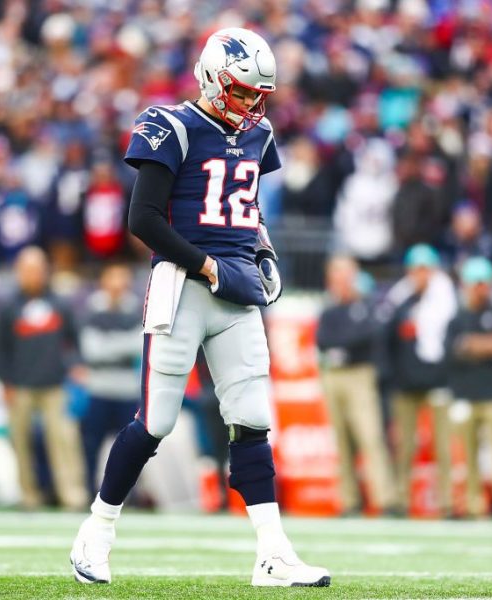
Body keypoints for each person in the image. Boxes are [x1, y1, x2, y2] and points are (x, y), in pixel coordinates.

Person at [70, 28, 329, 587]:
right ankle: (98, 529)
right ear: (212, 78)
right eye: (241, 92)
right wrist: (207, 266)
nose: (252, 104)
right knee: (157, 420)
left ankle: (273, 553)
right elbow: (142, 219)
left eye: (259, 94)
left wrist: (260, 247)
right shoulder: (171, 126)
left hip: (235, 289)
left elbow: (247, 205)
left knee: (253, 419)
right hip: (184, 286)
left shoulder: (258, 134)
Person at [0, 245, 87, 510]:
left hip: (55, 385)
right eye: (27, 270)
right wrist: (6, 381)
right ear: (18, 272)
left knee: (65, 442)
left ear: (46, 271)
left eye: (37, 269)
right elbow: (0, 348)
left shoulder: (59, 303)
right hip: (20, 385)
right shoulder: (9, 307)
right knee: (20, 443)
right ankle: (28, 495)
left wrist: (77, 366)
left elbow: (74, 340)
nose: (33, 275)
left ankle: (72, 494)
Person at [316, 256, 395, 515]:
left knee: (370, 437)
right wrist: (345, 345)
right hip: (333, 376)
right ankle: (349, 500)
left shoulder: (366, 305)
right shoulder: (329, 309)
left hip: (360, 375)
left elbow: (368, 335)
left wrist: (343, 346)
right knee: (342, 441)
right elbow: (323, 341)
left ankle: (385, 499)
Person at [445, 257, 492, 520]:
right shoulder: (457, 318)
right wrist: (484, 345)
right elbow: (452, 351)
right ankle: (472, 505)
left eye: (484, 284)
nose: (480, 289)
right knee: (467, 457)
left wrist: (471, 345)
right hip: (465, 395)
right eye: (475, 284)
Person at [383, 244, 456, 517]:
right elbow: (388, 334)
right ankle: (401, 499)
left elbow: (450, 340)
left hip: (437, 380)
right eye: (416, 269)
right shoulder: (400, 298)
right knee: (404, 446)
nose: (421, 275)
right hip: (405, 383)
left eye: (425, 269)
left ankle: (447, 501)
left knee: (443, 445)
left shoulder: (446, 298)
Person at [78, 263, 142, 497]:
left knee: (131, 447)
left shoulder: (136, 309)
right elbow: (91, 351)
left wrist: (109, 345)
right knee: (91, 445)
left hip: (126, 389)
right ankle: (89, 490)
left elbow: (139, 345)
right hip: (99, 388)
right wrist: (122, 344)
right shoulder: (93, 310)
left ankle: (129, 494)